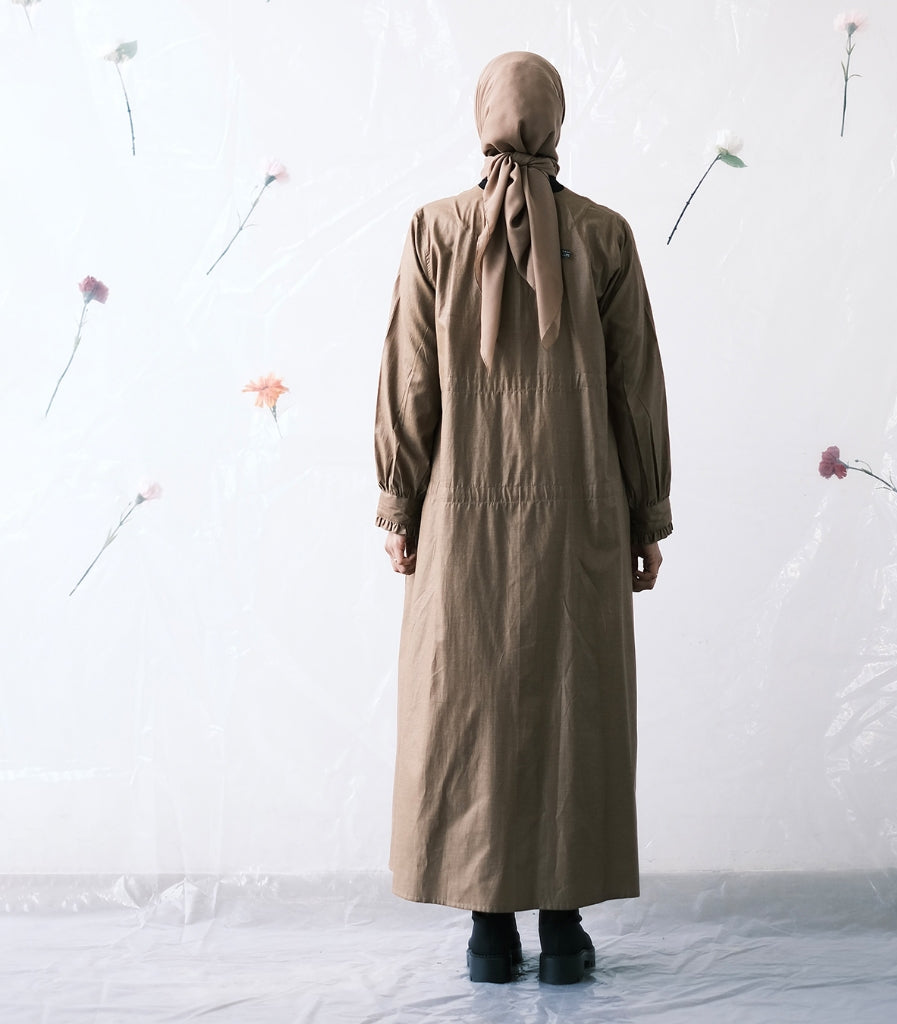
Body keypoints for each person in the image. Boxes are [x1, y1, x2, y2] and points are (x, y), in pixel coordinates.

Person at [374, 51, 671, 985]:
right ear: (557, 117)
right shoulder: (605, 235)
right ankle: (565, 931)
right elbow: (635, 390)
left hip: (460, 518)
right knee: (572, 706)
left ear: (483, 117)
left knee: (471, 709)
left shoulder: (435, 229)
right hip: (583, 512)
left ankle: (488, 931)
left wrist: (399, 498)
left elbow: (410, 377)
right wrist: (648, 511)